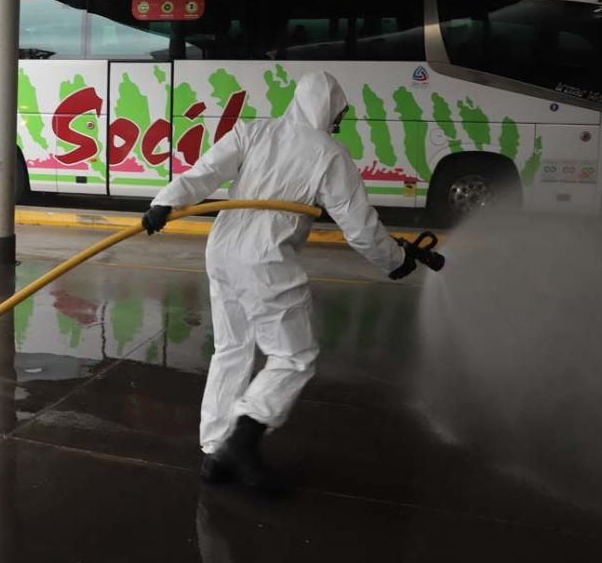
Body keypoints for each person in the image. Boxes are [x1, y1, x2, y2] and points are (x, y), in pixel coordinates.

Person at [140, 71, 417, 492]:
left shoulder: (254, 130)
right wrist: (394, 261)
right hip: (266, 260)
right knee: (294, 355)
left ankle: (216, 450)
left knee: (233, 347)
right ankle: (243, 438)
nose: (337, 122)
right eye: (338, 114)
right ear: (329, 110)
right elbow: (360, 228)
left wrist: (164, 201)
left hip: (224, 252)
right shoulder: (329, 154)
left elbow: (206, 172)